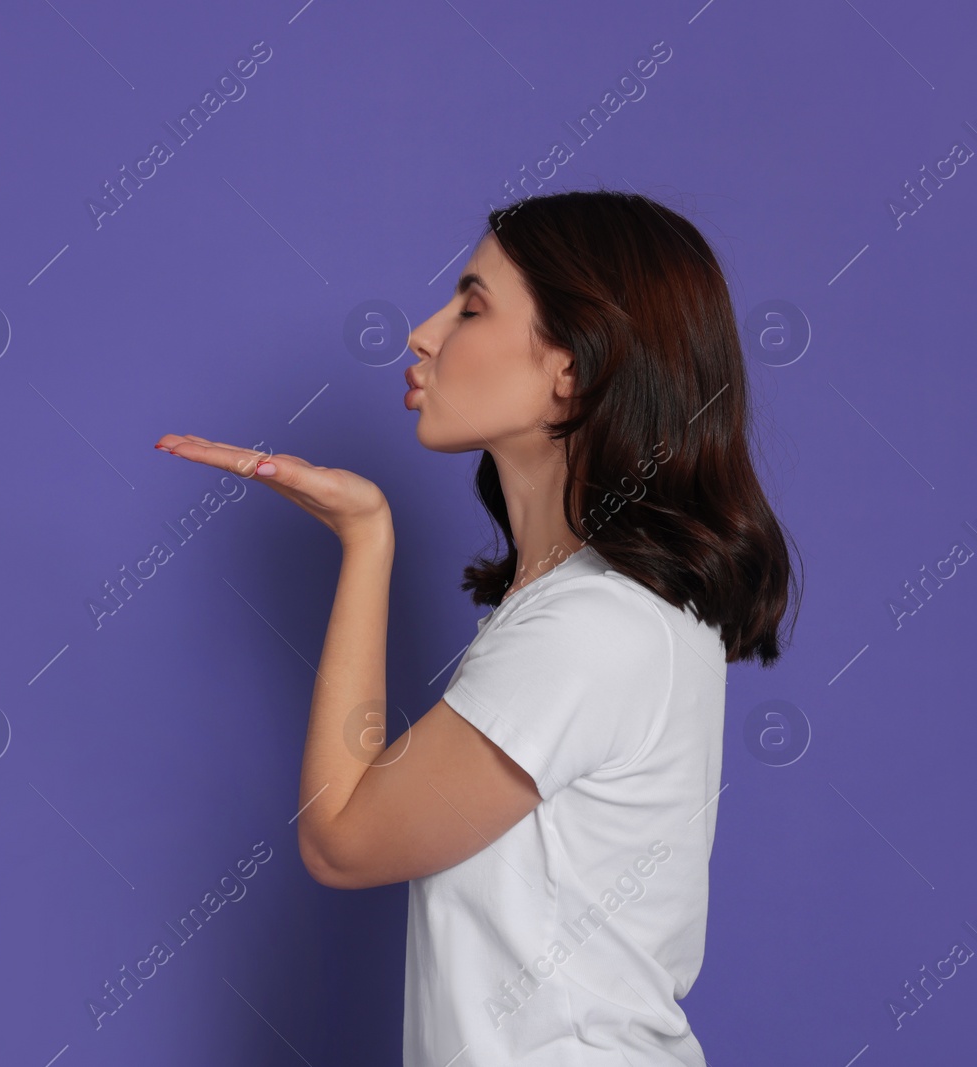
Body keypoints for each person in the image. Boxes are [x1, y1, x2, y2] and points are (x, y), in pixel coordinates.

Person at [154, 188, 798, 1065]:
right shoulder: (583, 608)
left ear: (570, 366)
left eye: (471, 305)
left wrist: (364, 536)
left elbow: (340, 839)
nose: (423, 332)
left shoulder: (593, 625)